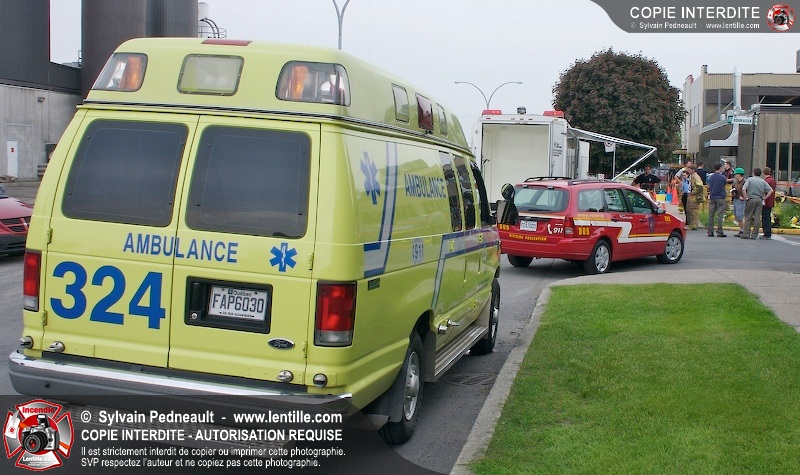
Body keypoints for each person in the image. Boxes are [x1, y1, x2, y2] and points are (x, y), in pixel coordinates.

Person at [741, 167, 774, 239]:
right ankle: (754, 234)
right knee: (757, 217)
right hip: (759, 200)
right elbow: (771, 190)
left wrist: (746, 197)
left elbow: (743, 189)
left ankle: (746, 234)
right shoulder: (763, 181)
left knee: (748, 217)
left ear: (753, 173)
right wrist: (764, 198)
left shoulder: (749, 180)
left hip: (751, 199)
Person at [706, 162, 727, 237]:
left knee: (711, 215)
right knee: (720, 214)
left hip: (712, 196)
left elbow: (708, 186)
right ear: (720, 168)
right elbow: (725, 184)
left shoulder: (710, 177)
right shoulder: (723, 177)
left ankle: (710, 231)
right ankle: (719, 231)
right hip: (720, 197)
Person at [761, 166, 777, 239]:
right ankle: (768, 232)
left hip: (766, 201)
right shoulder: (773, 180)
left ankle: (767, 233)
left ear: (764, 173)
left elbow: (764, 190)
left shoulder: (766, 181)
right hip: (771, 200)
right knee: (768, 217)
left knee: (765, 217)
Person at [685, 165, 703, 230]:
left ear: (693, 170)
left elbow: (700, 186)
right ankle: (691, 224)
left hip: (695, 197)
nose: (688, 171)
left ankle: (694, 225)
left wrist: (694, 192)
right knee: (689, 210)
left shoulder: (696, 177)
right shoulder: (691, 176)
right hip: (691, 195)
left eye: (689, 169)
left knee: (693, 210)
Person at [731, 167, 747, 237]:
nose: (735, 176)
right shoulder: (736, 182)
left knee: (739, 215)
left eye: (735, 174)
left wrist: (744, 196)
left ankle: (743, 230)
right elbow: (734, 188)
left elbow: (747, 190)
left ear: (739, 174)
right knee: (736, 215)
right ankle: (741, 230)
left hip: (741, 200)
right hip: (736, 199)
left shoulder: (745, 182)